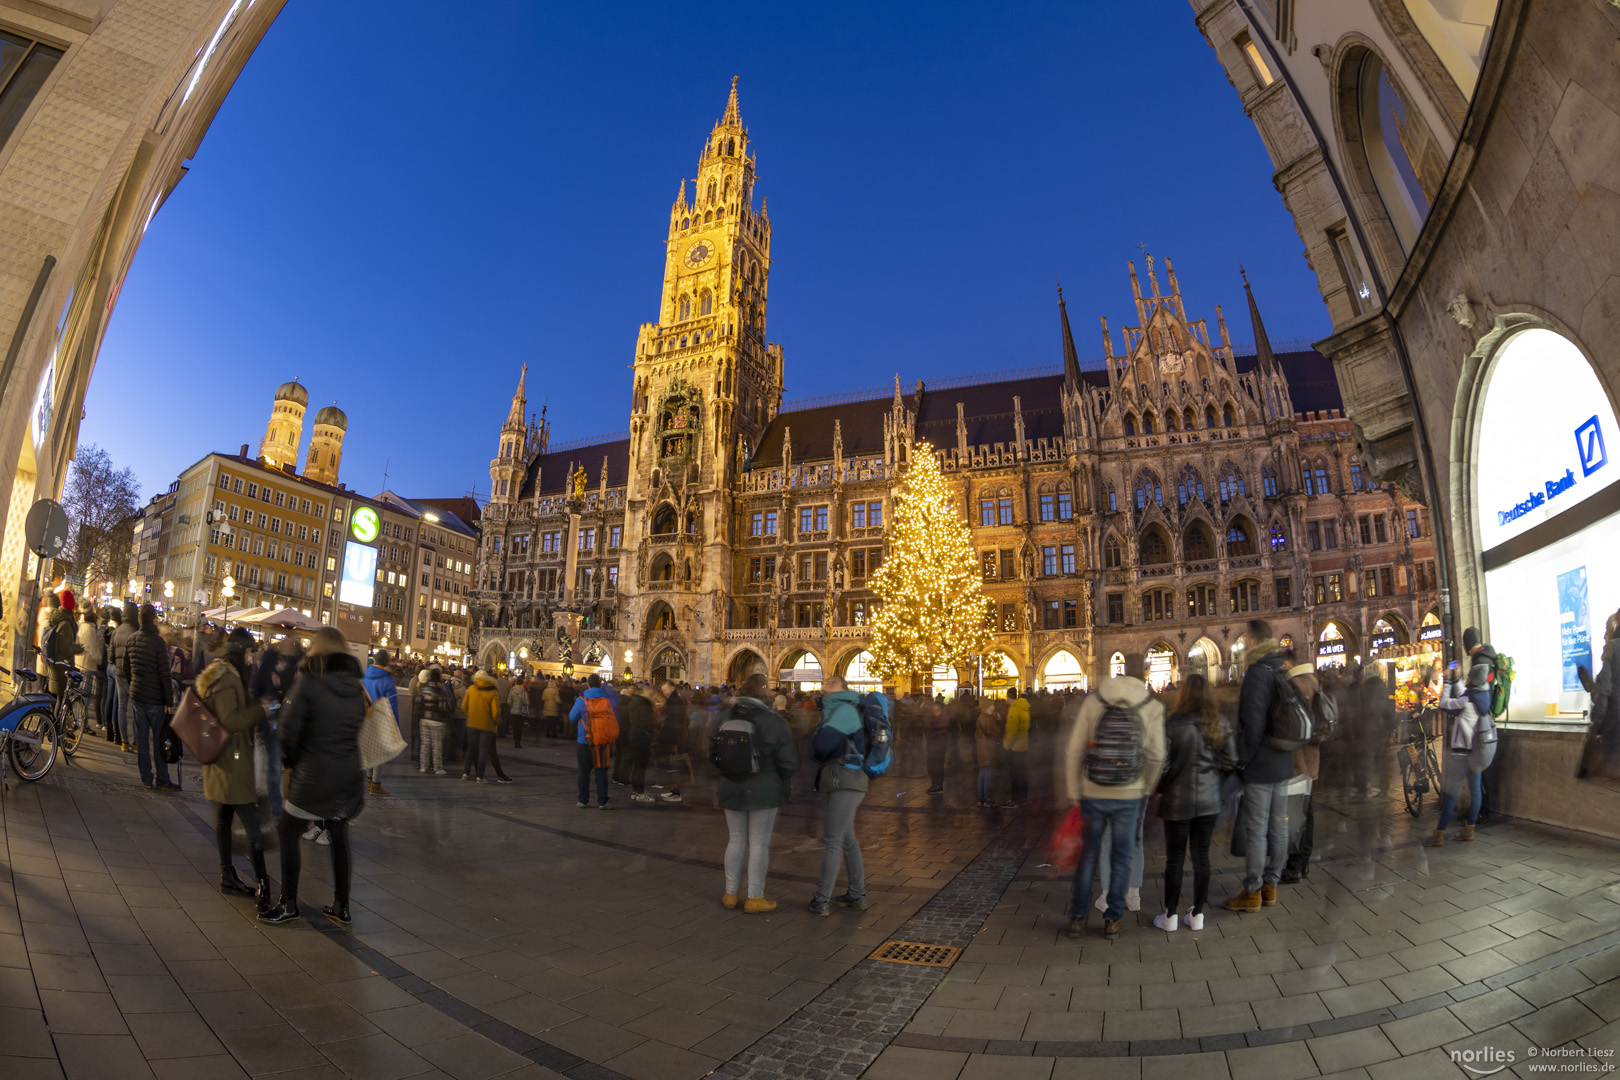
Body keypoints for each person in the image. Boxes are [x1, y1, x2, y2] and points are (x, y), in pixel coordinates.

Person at [262, 627, 366, 925]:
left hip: (313, 772)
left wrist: (289, 764)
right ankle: (342, 905)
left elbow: (287, 728)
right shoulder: (355, 686)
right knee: (339, 836)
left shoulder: (308, 681)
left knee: (288, 831)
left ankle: (289, 902)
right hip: (347, 772)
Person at [1063, 652, 1166, 939]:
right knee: (1122, 856)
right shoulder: (1151, 705)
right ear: (1143, 673)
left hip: (1093, 789)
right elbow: (1157, 754)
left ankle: (1077, 918)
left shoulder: (1095, 700)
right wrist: (1146, 787)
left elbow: (1074, 750)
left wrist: (1074, 790)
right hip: (1130, 792)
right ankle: (1113, 919)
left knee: (1089, 854)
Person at [198, 628, 271, 911]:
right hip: (231, 762)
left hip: (225, 759)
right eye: (251, 653)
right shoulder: (227, 678)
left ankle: (227, 875)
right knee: (253, 829)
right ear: (242, 652)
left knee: (224, 819)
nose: (253, 660)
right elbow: (230, 720)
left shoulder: (223, 672)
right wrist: (260, 711)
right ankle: (264, 884)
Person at [1224, 620, 1294, 913]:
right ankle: (1271, 885)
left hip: (1261, 764)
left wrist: (1243, 761)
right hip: (1283, 760)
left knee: (1257, 829)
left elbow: (1252, 724)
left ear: (1252, 641)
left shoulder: (1256, 672)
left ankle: (1252, 891)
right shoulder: (1281, 668)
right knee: (1278, 825)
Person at [713, 673, 799, 911]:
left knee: (736, 839)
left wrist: (729, 771)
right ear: (763, 693)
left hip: (731, 785)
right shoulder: (774, 721)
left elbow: (711, 752)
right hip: (765, 787)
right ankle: (754, 897)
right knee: (759, 843)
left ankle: (730, 894)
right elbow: (790, 762)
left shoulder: (723, 717)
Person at [1156, 673, 1229, 932]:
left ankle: (1170, 916)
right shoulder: (1218, 722)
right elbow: (1232, 759)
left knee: (1175, 858)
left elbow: (1162, 763)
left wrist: (1172, 775)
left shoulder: (1172, 722)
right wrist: (1214, 775)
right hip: (1209, 800)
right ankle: (1197, 915)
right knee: (1202, 857)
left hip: (1177, 799)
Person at [808, 675, 876, 917]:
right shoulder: (836, 710)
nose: (827, 685)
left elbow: (821, 745)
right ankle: (857, 896)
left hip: (844, 779)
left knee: (832, 840)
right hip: (846, 779)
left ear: (844, 689)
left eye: (833, 682)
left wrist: (817, 737)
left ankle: (821, 899)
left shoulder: (844, 711)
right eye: (826, 682)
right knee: (847, 839)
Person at [1425, 665, 1489, 845]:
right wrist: (1456, 679)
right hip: (1476, 752)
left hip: (1461, 755)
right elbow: (1464, 696)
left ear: (1471, 680)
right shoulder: (1483, 697)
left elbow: (1444, 703)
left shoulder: (1466, 701)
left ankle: (1438, 834)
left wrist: (1447, 682)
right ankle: (1469, 830)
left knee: (1451, 794)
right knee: (1476, 792)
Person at [122, 604, 177, 791]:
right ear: (154, 620)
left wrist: (134, 684)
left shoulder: (132, 639)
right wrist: (169, 701)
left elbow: (126, 668)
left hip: (138, 696)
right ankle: (162, 778)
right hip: (156, 700)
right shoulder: (158, 642)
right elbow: (164, 674)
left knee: (142, 741)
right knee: (159, 740)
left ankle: (146, 778)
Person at [1280, 649, 1322, 884]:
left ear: (1287, 663)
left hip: (1298, 758)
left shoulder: (1295, 685)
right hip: (1312, 756)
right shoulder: (1313, 681)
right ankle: (1303, 862)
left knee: (1296, 814)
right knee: (1308, 812)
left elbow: (1290, 724)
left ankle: (1295, 865)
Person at [1461, 627, 1502, 821]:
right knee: (1481, 767)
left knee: (1477, 767)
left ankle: (1480, 810)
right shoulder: (1488, 655)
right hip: (1487, 720)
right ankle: (1481, 808)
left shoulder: (1480, 661)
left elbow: (1481, 698)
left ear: (1467, 644)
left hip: (1481, 721)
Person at [569, 674, 616, 808]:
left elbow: (572, 718)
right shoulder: (607, 699)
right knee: (601, 772)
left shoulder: (581, 699)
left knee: (583, 772)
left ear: (588, 684)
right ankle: (602, 801)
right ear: (600, 685)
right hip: (602, 741)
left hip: (584, 741)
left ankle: (583, 800)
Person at [362, 650, 398, 796]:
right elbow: (392, 705)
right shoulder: (387, 680)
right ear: (387, 662)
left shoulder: (365, 676)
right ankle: (376, 784)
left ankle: (369, 781)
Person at [460, 669, 502, 783]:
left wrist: (471, 715)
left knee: (471, 749)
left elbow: (463, 705)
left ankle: (466, 773)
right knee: (483, 751)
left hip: (472, 724)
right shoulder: (492, 692)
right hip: (486, 726)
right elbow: (496, 712)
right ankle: (480, 776)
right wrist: (496, 721)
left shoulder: (471, 689)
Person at [41, 590, 79, 702]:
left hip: (56, 664)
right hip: (62, 666)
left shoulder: (59, 619)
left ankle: (49, 719)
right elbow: (65, 648)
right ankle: (52, 720)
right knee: (59, 698)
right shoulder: (65, 624)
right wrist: (79, 648)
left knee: (55, 698)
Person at [656, 681, 688, 803]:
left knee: (676, 765)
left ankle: (677, 793)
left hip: (675, 738)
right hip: (672, 737)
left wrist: (674, 741)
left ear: (672, 688)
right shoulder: (672, 700)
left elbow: (676, 722)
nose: (664, 692)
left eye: (666, 689)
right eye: (663, 690)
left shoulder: (676, 701)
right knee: (673, 764)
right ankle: (674, 790)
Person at [626, 685, 659, 802]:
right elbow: (646, 724)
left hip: (634, 736)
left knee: (636, 766)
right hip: (642, 738)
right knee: (641, 767)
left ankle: (635, 791)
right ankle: (640, 792)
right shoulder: (645, 706)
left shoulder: (635, 703)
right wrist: (651, 733)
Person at [76, 600, 105, 732]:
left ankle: (81, 721)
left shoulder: (82, 625)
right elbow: (92, 648)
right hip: (86, 665)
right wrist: (99, 659)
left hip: (80, 662)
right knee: (84, 695)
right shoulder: (88, 627)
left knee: (82, 694)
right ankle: (83, 723)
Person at [417, 666, 450, 774]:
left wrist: (422, 713)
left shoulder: (424, 690)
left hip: (424, 719)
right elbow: (443, 707)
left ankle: (423, 767)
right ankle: (437, 768)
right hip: (437, 721)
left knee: (425, 744)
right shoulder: (440, 692)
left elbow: (418, 703)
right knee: (437, 745)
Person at [1002, 687, 1031, 806]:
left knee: (1015, 775)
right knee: (1022, 772)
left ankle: (1015, 799)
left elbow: (1011, 731)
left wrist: (1006, 746)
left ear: (1009, 697)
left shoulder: (1014, 709)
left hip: (1014, 747)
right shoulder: (1024, 707)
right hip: (1023, 744)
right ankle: (1023, 797)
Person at [974, 696, 1000, 807]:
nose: (994, 706)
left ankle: (981, 798)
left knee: (982, 775)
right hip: (988, 750)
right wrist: (999, 721)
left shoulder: (981, 717)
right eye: (993, 704)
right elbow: (995, 733)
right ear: (988, 707)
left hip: (981, 749)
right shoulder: (988, 719)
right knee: (988, 775)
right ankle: (988, 798)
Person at [925, 695, 948, 796]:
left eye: (936, 710)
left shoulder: (943, 718)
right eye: (933, 710)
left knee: (937, 766)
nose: (934, 712)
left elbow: (939, 731)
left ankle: (938, 785)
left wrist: (931, 733)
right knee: (931, 766)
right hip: (933, 745)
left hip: (938, 745)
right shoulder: (934, 717)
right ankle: (935, 784)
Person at [507, 675, 530, 748]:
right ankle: (518, 741)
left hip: (513, 711)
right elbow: (527, 702)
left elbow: (509, 701)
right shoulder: (524, 692)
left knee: (514, 727)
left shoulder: (512, 691)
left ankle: (515, 740)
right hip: (521, 712)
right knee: (519, 727)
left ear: (516, 683)